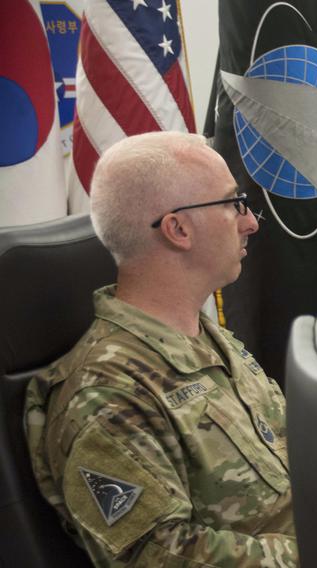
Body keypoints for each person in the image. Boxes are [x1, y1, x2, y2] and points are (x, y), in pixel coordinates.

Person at [24, 132, 299, 565]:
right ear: (178, 229)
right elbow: (161, 555)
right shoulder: (106, 394)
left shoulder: (201, 335)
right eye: (232, 204)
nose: (250, 222)